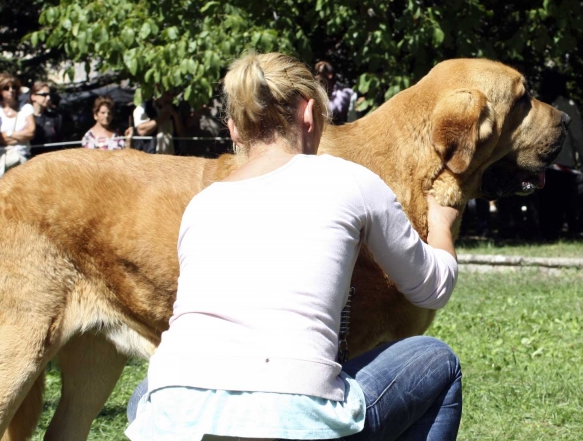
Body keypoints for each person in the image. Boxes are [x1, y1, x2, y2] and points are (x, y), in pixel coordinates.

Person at [126, 52, 462, 440]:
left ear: (235, 130)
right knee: (437, 359)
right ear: (309, 113)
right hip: (294, 419)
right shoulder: (351, 180)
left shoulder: (201, 204)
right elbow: (432, 288)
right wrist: (441, 222)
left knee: (147, 393)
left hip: (176, 422)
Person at [538, 70, 583, 239]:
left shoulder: (538, 104)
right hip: (563, 164)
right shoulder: (568, 106)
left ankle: (547, 232)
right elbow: (577, 135)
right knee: (563, 201)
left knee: (546, 201)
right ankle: (567, 231)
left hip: (541, 164)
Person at [0, 73, 35, 176]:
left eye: (14, 87)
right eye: (6, 88)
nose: (11, 90)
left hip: (22, 159)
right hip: (2, 159)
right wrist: (20, 136)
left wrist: (8, 134)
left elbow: (31, 133)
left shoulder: (26, 108)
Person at [29, 81, 64, 157]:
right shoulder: (25, 117)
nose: (48, 98)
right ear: (33, 96)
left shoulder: (55, 117)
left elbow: (60, 142)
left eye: (49, 95)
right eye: (44, 95)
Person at [315, 60, 355, 125]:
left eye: (320, 73)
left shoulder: (346, 93)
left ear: (330, 75)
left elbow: (353, 119)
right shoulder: (316, 95)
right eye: (316, 73)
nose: (317, 76)